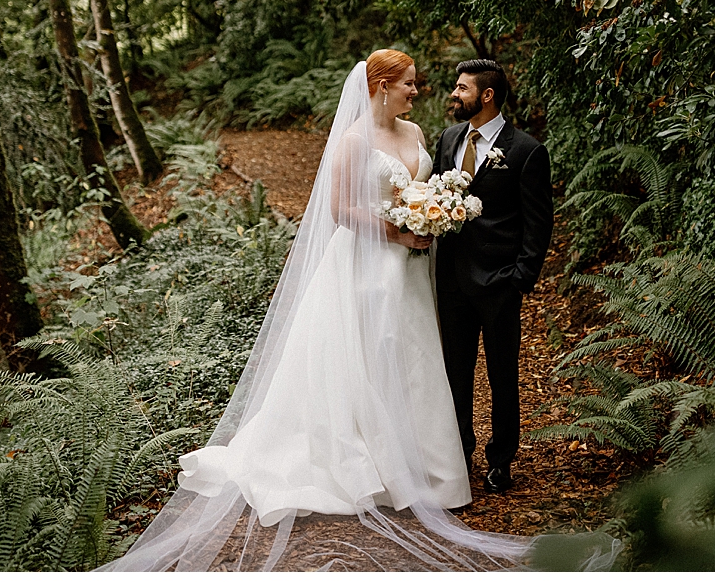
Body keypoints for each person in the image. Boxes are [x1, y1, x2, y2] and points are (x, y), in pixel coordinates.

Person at [100, 51, 528, 571]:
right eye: (410, 84)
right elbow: (340, 211)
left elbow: (424, 189)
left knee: (412, 357)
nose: (418, 91)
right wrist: (396, 230)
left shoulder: (418, 134)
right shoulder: (352, 141)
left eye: (416, 84)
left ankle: (428, 467)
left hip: (413, 270)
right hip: (365, 265)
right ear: (381, 85)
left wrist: (431, 219)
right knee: (367, 355)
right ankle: (366, 462)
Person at [433, 59, 553, 495]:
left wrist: (521, 276)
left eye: (461, 88)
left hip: (501, 282)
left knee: (502, 374)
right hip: (452, 281)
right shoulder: (448, 140)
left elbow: (538, 223)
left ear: (486, 95)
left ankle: (501, 459)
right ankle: (458, 452)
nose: (454, 94)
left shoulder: (525, 150)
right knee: (455, 372)